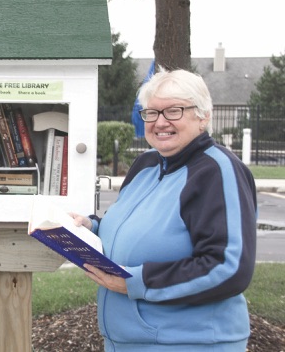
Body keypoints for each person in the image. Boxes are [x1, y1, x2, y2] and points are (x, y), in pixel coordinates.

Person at [72, 69, 257, 351]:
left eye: (173, 111)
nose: (160, 122)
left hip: (188, 342)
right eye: (151, 113)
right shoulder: (146, 164)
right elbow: (129, 226)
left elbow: (227, 267)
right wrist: (92, 227)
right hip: (128, 341)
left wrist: (137, 282)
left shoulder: (216, 171)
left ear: (203, 116)